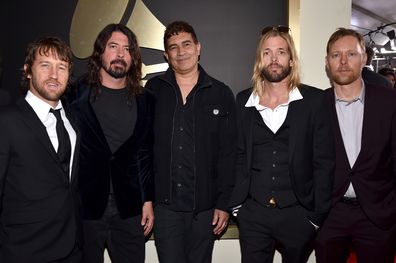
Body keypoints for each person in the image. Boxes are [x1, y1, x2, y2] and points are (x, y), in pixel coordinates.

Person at [228, 26, 335, 263]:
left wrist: (315, 218)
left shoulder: (314, 101)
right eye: (267, 52)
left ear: (291, 59)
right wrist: (237, 208)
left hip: (298, 215)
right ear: (259, 59)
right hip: (253, 214)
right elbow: (237, 155)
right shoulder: (243, 100)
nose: (274, 59)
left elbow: (324, 162)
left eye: (281, 52)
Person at [145, 21, 236, 263]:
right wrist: (145, 199)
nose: (181, 51)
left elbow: (229, 154)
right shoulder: (152, 90)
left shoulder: (221, 93)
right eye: (173, 47)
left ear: (198, 47)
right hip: (165, 210)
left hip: (206, 211)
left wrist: (224, 204)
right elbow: (142, 149)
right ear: (166, 55)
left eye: (186, 44)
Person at [68, 23, 154, 263]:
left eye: (127, 49)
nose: (120, 54)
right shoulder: (75, 94)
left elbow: (145, 154)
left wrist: (147, 200)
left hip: (129, 207)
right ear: (100, 52)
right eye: (113, 46)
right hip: (86, 205)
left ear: (133, 57)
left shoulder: (145, 100)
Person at [315, 28, 396, 263]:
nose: (342, 61)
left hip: (378, 216)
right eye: (335, 55)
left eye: (351, 54)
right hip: (330, 215)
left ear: (365, 59)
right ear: (327, 61)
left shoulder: (389, 102)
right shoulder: (315, 106)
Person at [0, 37, 82, 262]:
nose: (54, 75)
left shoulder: (73, 121)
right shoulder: (6, 122)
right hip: (24, 251)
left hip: (72, 249)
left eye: (62, 67)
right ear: (28, 70)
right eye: (45, 65)